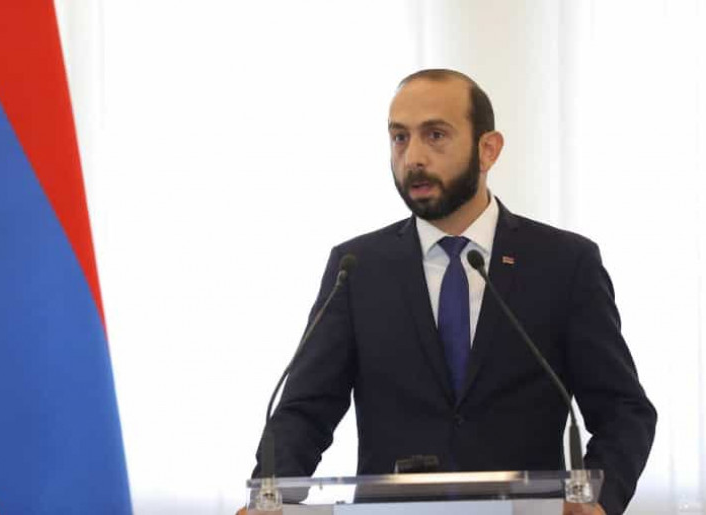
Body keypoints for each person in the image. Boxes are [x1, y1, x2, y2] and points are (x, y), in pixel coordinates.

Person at [248, 69, 656, 515]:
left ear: (488, 149)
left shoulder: (563, 263)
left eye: (435, 135)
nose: (413, 157)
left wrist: (597, 501)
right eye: (400, 138)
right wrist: (269, 497)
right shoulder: (357, 268)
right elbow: (304, 413)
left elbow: (623, 411)